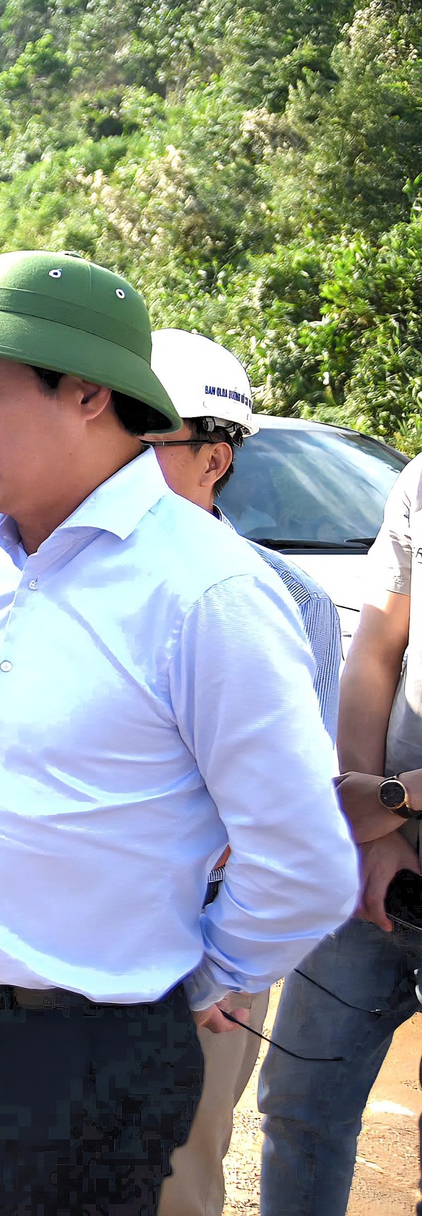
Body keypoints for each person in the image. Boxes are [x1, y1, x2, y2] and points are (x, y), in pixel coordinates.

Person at [0, 251, 356, 1213]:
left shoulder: (206, 590)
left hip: (83, 1057)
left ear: (87, 392)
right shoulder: (1, 555)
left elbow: (303, 860)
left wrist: (199, 980)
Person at [137, 328, 343, 1216]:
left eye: (145, 442)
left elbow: (297, 816)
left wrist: (228, 965)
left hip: (203, 944)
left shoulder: (290, 601)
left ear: (214, 459)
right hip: (70, 945)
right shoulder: (52, 574)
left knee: (180, 1172)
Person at [258, 447, 422, 1216]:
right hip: (382, 858)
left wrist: (395, 800)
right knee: (299, 1104)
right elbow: (376, 652)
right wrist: (374, 824)